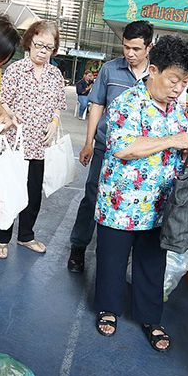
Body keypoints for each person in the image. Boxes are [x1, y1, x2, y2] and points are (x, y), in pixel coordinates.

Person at [94, 34, 188, 353]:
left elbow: (180, 143)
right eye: (173, 79)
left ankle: (150, 317)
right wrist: (174, 142)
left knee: (151, 264)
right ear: (153, 71)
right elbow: (124, 147)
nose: (178, 88)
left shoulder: (175, 111)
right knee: (112, 262)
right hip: (121, 204)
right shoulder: (128, 103)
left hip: (158, 207)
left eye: (184, 82)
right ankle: (108, 309)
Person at [67, 20, 154, 273]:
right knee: (93, 195)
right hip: (107, 148)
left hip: (140, 153)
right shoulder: (110, 70)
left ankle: (119, 257)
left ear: (149, 47)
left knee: (132, 202)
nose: (130, 53)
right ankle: (78, 247)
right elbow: (97, 106)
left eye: (136, 49)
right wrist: (88, 143)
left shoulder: (156, 75)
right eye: (126, 47)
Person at [0, 20, 66, 258]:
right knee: (9, 191)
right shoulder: (14, 70)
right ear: (29, 43)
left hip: (39, 146)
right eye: (38, 45)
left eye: (48, 47)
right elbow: (0, 100)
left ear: (54, 50)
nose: (42, 51)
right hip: (14, 142)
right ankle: (1, 240)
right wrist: (8, 114)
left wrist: (54, 123)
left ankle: (26, 236)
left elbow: (57, 105)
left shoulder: (55, 75)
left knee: (33, 194)